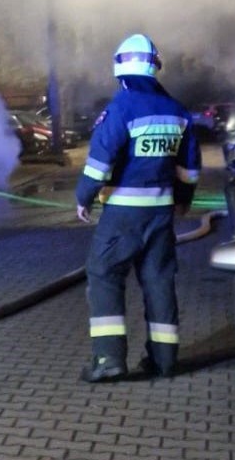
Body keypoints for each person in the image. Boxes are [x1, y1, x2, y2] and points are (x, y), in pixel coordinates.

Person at [76, 33, 202, 383]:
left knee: (104, 276)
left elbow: (99, 163)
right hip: (161, 214)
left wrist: (83, 197)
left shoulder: (121, 108)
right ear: (154, 66)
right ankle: (164, 359)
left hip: (122, 214)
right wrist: (183, 200)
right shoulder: (177, 111)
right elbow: (190, 169)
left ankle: (108, 360)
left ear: (120, 68)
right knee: (159, 281)